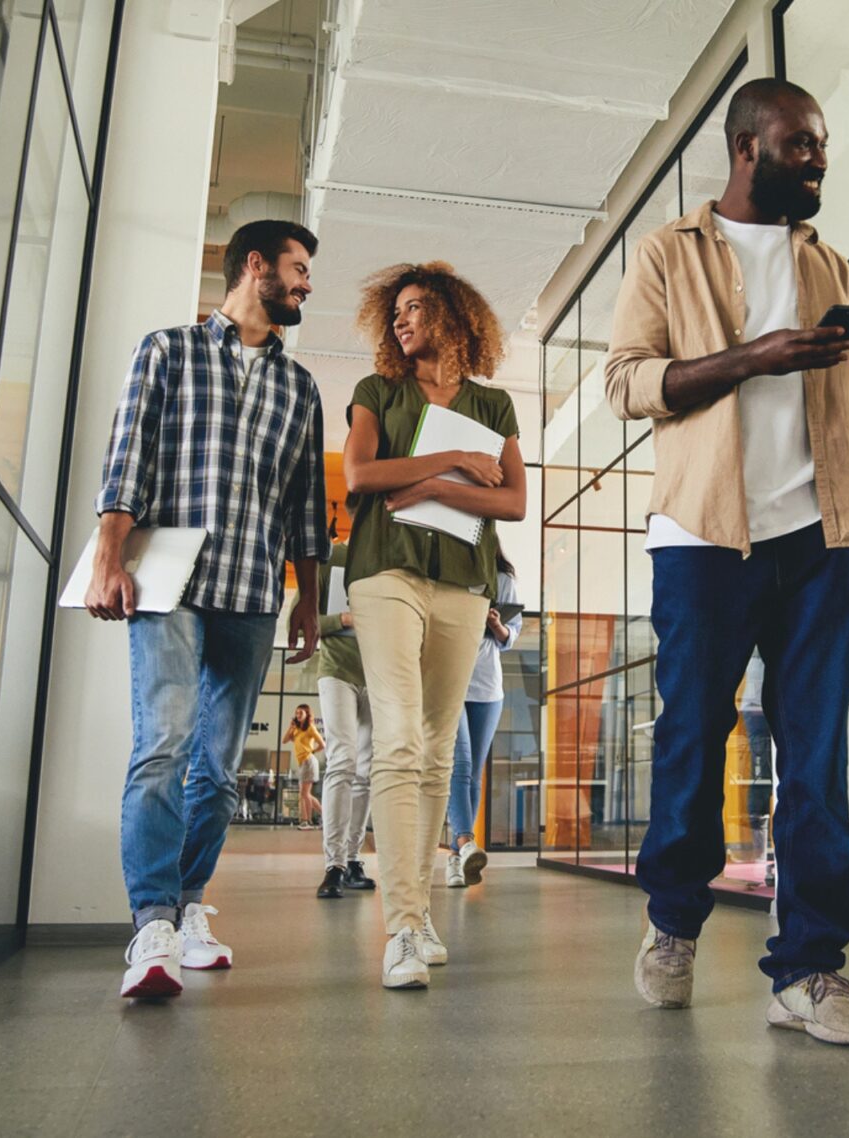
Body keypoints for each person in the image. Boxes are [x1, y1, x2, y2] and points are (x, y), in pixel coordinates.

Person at [604, 77, 849, 1046]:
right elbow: (628, 382)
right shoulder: (665, 253)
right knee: (693, 737)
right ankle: (673, 923)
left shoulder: (831, 263)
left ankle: (808, 967)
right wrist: (750, 357)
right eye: (800, 143)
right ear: (745, 147)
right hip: (701, 536)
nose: (817, 158)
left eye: (822, 144)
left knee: (816, 753)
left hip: (815, 535)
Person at [86, 218, 329, 1001]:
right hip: (173, 586)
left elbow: (307, 509)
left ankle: (190, 906)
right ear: (253, 266)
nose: (305, 284)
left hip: (254, 592)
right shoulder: (168, 351)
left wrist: (309, 604)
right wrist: (106, 559)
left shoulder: (301, 388)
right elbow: (129, 459)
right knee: (163, 745)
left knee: (219, 771)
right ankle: (151, 921)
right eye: (296, 269)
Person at [340, 261, 525, 990]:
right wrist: (451, 461)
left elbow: (511, 503)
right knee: (399, 738)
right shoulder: (376, 392)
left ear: (453, 317)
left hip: (464, 583)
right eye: (396, 312)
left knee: (439, 751)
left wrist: (413, 483)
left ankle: (419, 917)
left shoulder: (495, 404)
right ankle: (403, 927)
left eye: (415, 308)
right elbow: (359, 478)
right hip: (385, 572)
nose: (401, 321)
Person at [443, 552, 521, 888]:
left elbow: (510, 635)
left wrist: (496, 626)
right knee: (458, 765)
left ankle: (455, 859)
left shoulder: (503, 580)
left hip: (488, 688)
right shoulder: (448, 573)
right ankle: (464, 841)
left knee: (473, 773)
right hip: (450, 682)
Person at [310, 537, 378, 899]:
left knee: (366, 770)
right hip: (336, 671)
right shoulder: (331, 556)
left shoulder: (386, 556)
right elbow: (301, 622)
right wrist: (343, 618)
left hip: (378, 675)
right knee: (343, 760)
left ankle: (352, 859)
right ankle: (333, 864)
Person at [284, 705, 324, 827]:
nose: (298, 715)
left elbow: (322, 744)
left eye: (300, 713)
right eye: (296, 713)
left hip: (308, 761)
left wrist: (312, 752)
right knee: (306, 794)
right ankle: (326, 817)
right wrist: (291, 727)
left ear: (307, 714)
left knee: (304, 794)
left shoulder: (310, 728)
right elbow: (284, 740)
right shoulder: (296, 729)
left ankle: (305, 821)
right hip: (302, 763)